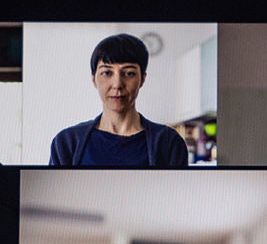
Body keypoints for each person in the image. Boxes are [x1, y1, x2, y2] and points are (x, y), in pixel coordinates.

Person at [49, 33, 190, 166]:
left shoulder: (168, 142)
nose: (117, 84)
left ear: (142, 79)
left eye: (129, 73)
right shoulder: (66, 142)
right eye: (106, 73)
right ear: (93, 79)